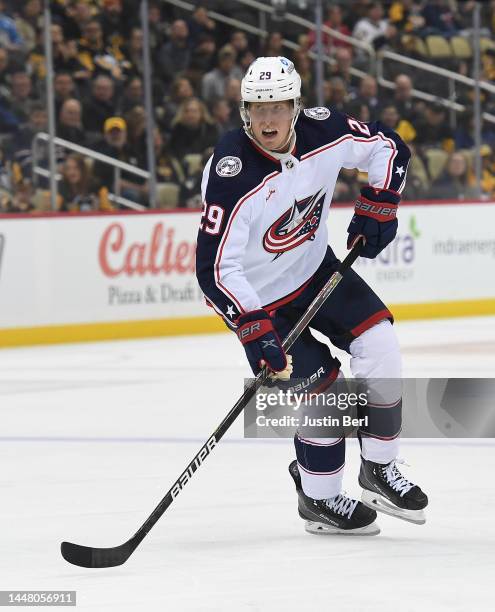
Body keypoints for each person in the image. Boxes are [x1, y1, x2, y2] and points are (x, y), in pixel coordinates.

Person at [195, 56, 428, 535]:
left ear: (296, 107)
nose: (267, 120)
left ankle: (379, 466)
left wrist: (380, 204)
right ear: (244, 111)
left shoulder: (325, 131)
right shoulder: (231, 171)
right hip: (259, 299)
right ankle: (318, 498)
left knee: (380, 343)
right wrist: (255, 330)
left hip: (314, 270)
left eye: (278, 106)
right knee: (323, 390)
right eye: (257, 108)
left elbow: (388, 148)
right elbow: (214, 268)